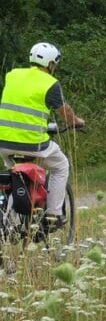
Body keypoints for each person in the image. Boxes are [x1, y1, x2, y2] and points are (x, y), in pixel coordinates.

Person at [0, 43, 84, 231]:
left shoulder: (12, 75)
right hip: (33, 144)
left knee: (14, 175)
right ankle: (54, 213)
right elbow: (65, 112)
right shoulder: (50, 83)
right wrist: (75, 122)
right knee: (61, 166)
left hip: (4, 143)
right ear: (51, 64)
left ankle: (9, 218)